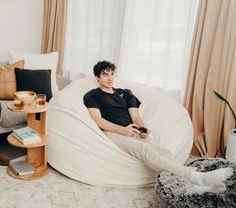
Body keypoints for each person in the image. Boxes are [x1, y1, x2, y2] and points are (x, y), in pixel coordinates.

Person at [83, 60, 233, 193]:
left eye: (111, 74)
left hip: (132, 129)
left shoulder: (125, 93)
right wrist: (122, 130)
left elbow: (136, 116)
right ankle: (197, 177)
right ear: (97, 77)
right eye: (105, 74)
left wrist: (142, 128)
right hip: (113, 131)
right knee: (146, 150)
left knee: (163, 151)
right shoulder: (93, 95)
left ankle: (194, 185)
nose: (110, 78)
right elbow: (97, 120)